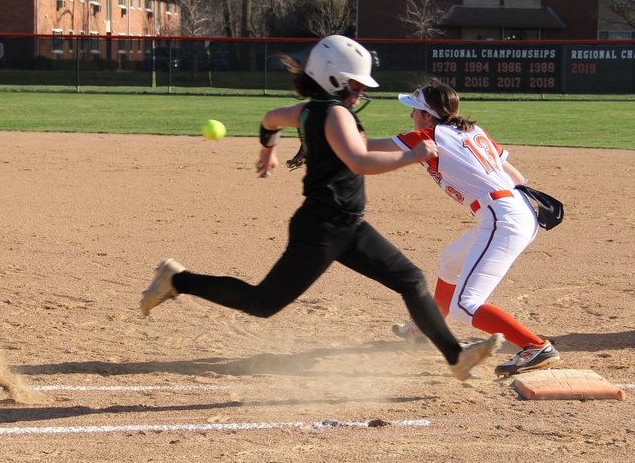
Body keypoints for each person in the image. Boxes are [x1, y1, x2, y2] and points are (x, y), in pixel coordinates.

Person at [139, 35, 502, 380]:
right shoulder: (336, 113)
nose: (359, 93)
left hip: (348, 226)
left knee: (411, 280)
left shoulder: (310, 110)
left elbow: (270, 118)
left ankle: (455, 356)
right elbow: (360, 161)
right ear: (332, 79)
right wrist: (413, 156)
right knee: (262, 303)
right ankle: (177, 280)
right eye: (355, 85)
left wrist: (268, 150)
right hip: (322, 229)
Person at [373, 80, 562, 376]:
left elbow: (365, 147)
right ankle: (428, 327)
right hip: (515, 210)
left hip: (502, 217)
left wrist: (326, 136)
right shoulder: (472, 131)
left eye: (415, 110)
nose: (411, 115)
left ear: (427, 114)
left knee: (465, 305)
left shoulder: (427, 135)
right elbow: (516, 177)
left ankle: (536, 346)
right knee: (451, 259)